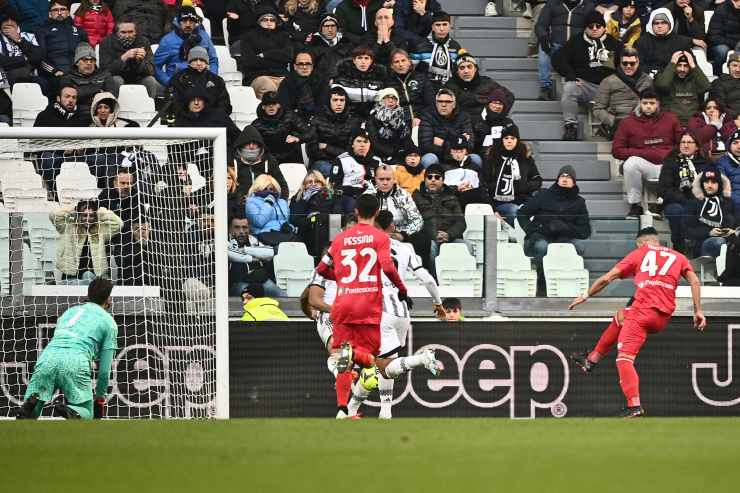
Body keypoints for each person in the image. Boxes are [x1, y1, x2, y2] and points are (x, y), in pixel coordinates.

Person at [315, 194, 441, 419]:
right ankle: (415, 365)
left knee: (349, 355)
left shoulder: (341, 239)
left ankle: (344, 409)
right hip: (376, 307)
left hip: (346, 304)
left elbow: (321, 270)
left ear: (356, 213)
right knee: (382, 363)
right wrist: (402, 289)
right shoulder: (380, 239)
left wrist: (343, 279)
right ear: (376, 213)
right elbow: (390, 269)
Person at [568, 226, 706, 417]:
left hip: (642, 312)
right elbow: (695, 282)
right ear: (657, 241)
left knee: (624, 359)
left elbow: (608, 278)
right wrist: (698, 310)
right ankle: (591, 360)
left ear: (642, 243)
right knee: (621, 315)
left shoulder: (639, 253)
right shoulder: (678, 256)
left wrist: (585, 295)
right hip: (662, 317)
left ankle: (634, 405)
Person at [345, 209, 445, 419]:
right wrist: (438, 304)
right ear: (391, 226)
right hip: (402, 313)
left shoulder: (364, 246)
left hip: (377, 312)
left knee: (384, 365)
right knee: (384, 365)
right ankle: (384, 411)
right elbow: (427, 279)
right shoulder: (405, 247)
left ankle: (422, 359)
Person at [16, 277, 118, 420]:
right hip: (76, 360)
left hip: (48, 357)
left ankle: (30, 407)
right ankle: (72, 410)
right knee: (87, 413)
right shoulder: (109, 322)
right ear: (107, 299)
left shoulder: (69, 312)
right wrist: (100, 397)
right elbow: (104, 372)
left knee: (32, 411)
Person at [517, 165, 591, 294]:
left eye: (569, 177)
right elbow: (522, 213)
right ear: (557, 179)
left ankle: (567, 283)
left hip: (565, 238)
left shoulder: (579, 202)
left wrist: (565, 228)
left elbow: (585, 231)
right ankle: (542, 282)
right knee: (542, 247)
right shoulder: (544, 195)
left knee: (579, 246)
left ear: (574, 182)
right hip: (540, 236)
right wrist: (532, 230)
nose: (565, 179)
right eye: (562, 176)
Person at [612, 88, 683, 218]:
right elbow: (616, 150)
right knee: (630, 164)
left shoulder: (671, 118)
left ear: (658, 104)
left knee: (678, 162)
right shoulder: (627, 122)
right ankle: (635, 205)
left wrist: (667, 154)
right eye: (645, 103)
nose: (648, 106)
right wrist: (646, 153)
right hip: (645, 164)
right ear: (640, 103)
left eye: (652, 103)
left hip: (666, 164)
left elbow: (682, 144)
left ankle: (663, 203)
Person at [552, 10, 622, 140]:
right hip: (586, 85)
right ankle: (571, 127)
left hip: (609, 87)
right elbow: (558, 58)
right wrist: (570, 75)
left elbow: (625, 65)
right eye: (590, 26)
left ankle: (612, 127)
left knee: (624, 93)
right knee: (569, 88)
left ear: (604, 27)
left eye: (598, 26)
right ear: (585, 28)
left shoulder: (614, 44)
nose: (594, 29)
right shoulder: (576, 41)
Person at [657, 130, 713, 253]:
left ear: (697, 146)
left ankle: (698, 251)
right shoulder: (671, 162)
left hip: (701, 202)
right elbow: (664, 189)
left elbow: (712, 186)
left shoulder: (706, 163)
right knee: (676, 211)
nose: (685, 145)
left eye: (689, 142)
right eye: (683, 142)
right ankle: (679, 246)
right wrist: (687, 200)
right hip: (676, 201)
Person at [535, 0, 596, 101]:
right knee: (543, 47)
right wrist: (543, 37)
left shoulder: (588, 6)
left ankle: (582, 89)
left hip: (576, 47)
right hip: (556, 44)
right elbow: (540, 25)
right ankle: (546, 88)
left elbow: (594, 27)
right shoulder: (552, 4)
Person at [51, 199, 123, 284]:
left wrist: (99, 211)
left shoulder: (101, 230)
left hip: (95, 276)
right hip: (72, 276)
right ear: (79, 215)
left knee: (87, 276)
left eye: (91, 215)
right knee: (85, 280)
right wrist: (75, 208)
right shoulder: (69, 227)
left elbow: (119, 224)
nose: (88, 219)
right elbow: (53, 215)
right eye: (85, 215)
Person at [370, 164, 430, 267]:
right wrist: (381, 234)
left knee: (423, 239)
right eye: (381, 179)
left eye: (388, 179)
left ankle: (423, 273)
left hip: (402, 233)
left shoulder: (404, 195)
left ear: (394, 179)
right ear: (375, 179)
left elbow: (417, 220)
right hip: (375, 235)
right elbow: (363, 221)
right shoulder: (368, 197)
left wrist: (403, 234)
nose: (385, 182)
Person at [484, 124, 543, 227]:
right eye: (506, 138)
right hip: (497, 203)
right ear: (502, 140)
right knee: (514, 211)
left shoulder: (525, 158)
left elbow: (537, 180)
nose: (509, 141)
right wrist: (492, 209)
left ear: (517, 140)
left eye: (513, 138)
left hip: (522, 200)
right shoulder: (492, 158)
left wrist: (523, 186)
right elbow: (484, 186)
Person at [592, 47, 653, 139]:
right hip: (618, 123)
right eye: (625, 63)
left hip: (641, 122)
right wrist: (613, 121)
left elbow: (653, 104)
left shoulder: (647, 80)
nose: (628, 66)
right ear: (620, 63)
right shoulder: (608, 81)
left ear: (638, 62)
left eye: (632, 63)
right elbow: (598, 109)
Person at [412, 163, 467, 264]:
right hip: (428, 238)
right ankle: (433, 278)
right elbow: (414, 222)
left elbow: (461, 222)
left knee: (467, 245)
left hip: (449, 237)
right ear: (425, 179)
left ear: (442, 180)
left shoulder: (452, 197)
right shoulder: (416, 196)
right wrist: (434, 235)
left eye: (437, 177)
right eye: (429, 177)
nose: (433, 180)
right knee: (431, 247)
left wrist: (448, 234)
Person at [154, 5, 218, 87]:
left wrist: (211, 79)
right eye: (184, 21)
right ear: (178, 22)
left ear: (196, 23)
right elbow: (156, 66)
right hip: (178, 84)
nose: (188, 24)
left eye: (191, 21)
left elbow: (213, 60)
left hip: (202, 82)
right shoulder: (168, 41)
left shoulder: (204, 36)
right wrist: (169, 82)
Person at [35, 1, 88, 96]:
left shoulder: (79, 30)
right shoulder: (42, 30)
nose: (59, 12)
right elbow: (39, 57)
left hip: (78, 72)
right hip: (55, 74)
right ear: (49, 14)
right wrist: (54, 71)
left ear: (68, 12)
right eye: (55, 10)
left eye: (62, 9)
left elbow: (87, 52)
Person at [307, 86, 362, 179]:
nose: (339, 104)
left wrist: (327, 147)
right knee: (335, 172)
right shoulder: (317, 121)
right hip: (322, 162)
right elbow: (311, 150)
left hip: (346, 161)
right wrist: (336, 154)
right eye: (335, 100)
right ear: (329, 101)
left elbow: (352, 151)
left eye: (342, 100)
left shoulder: (353, 122)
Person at [445, 52, 515, 124]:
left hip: (485, 126)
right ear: (457, 71)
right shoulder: (450, 86)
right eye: (462, 68)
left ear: (475, 69)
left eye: (469, 67)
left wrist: (498, 117)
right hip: (460, 128)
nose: (466, 71)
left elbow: (509, 96)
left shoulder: (487, 83)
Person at [99, 18, 161, 99]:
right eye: (123, 32)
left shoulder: (143, 41)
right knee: (117, 80)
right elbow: (105, 71)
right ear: (117, 33)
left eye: (130, 32)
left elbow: (151, 70)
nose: (127, 36)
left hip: (137, 77)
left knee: (150, 81)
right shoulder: (106, 42)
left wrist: (140, 61)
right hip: (116, 77)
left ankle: (149, 108)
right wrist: (123, 58)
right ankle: (114, 107)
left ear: (135, 32)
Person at [239, 6, 293, 99]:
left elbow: (288, 56)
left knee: (293, 86)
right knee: (269, 88)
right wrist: (278, 59)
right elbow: (250, 62)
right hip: (258, 76)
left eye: (272, 20)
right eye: (265, 20)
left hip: (281, 75)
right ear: (259, 21)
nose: (269, 22)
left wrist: (266, 54)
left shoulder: (283, 36)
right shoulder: (248, 37)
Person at [61, 42, 120, 125]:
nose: (89, 63)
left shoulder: (104, 75)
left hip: (101, 115)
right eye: (85, 60)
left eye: (92, 60)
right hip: (78, 115)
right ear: (77, 62)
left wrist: (82, 94)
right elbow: (70, 99)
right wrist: (97, 94)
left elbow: (110, 97)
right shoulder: (68, 78)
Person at [683, 168, 737, 258]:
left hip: (730, 241)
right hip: (703, 243)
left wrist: (733, 232)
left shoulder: (729, 202)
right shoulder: (693, 203)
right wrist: (709, 232)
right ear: (701, 184)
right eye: (706, 182)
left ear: (719, 184)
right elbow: (686, 230)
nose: (709, 185)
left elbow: (738, 222)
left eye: (713, 182)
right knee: (719, 243)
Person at [418, 88, 477, 168]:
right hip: (438, 156)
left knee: (475, 159)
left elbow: (470, 144)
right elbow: (426, 145)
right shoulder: (427, 115)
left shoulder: (463, 116)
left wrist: (443, 143)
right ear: (436, 103)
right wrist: (458, 142)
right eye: (440, 101)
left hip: (459, 156)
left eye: (448, 102)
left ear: (454, 104)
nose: (443, 105)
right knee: (429, 159)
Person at [251, 91, 314, 164]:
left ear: (279, 105)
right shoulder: (257, 124)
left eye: (274, 103)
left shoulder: (291, 117)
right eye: (268, 104)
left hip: (291, 159)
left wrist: (298, 138)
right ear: (263, 107)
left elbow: (310, 133)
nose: (271, 106)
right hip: (268, 160)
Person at [228, 212, 282, 297]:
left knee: (281, 295)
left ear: (249, 229)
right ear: (230, 229)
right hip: (239, 284)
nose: (241, 231)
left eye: (244, 227)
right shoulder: (226, 242)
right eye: (237, 228)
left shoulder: (254, 241)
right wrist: (254, 255)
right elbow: (231, 254)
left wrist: (245, 250)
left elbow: (270, 253)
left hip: (261, 282)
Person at [329, 129, 383, 214]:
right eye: (359, 141)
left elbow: (381, 183)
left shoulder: (377, 161)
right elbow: (334, 186)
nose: (362, 145)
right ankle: (337, 227)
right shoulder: (341, 160)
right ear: (352, 144)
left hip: (371, 198)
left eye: (365, 142)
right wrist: (357, 191)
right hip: (348, 197)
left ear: (370, 144)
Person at [168, 46, 231, 118]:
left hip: (211, 122)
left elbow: (224, 104)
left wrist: (211, 116)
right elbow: (172, 104)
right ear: (189, 62)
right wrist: (188, 116)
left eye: (202, 60)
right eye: (195, 60)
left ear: (206, 62)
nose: (198, 63)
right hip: (185, 120)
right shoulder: (178, 79)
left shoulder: (217, 80)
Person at [653, 50, 710, 125]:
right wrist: (672, 63)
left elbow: (706, 87)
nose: (682, 69)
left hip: (693, 123)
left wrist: (693, 65)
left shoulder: (695, 79)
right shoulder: (665, 77)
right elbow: (662, 85)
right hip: (670, 123)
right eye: (679, 65)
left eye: (686, 66)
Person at [232, 125, 289, 199]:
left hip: (265, 204)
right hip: (239, 205)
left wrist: (281, 202)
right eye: (247, 143)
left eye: (254, 143)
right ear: (241, 144)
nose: (251, 146)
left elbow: (283, 186)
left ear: (260, 145)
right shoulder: (232, 162)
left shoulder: (269, 161)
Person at [409, 11, 461, 91]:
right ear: (432, 27)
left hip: (449, 90)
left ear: (450, 26)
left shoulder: (455, 46)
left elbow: (459, 71)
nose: (441, 28)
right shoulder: (419, 46)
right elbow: (411, 70)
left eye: (445, 24)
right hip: (425, 90)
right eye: (438, 25)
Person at [331, 45, 387, 118]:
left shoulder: (380, 80)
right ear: (354, 60)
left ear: (371, 61)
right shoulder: (341, 80)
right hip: (348, 120)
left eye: (366, 58)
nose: (363, 62)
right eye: (359, 58)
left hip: (374, 119)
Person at [634, 8, 692, 76]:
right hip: (648, 78)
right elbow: (637, 65)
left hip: (675, 78)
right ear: (651, 25)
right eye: (656, 23)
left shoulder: (681, 42)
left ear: (670, 24)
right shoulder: (641, 42)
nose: (659, 26)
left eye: (664, 23)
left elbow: (690, 64)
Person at [384, 48, 434, 123]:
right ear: (392, 66)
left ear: (409, 62)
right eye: (396, 62)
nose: (400, 64)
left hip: (421, 120)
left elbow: (430, 103)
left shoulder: (421, 78)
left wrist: (419, 117)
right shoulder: (388, 83)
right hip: (398, 122)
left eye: (403, 60)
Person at [366, 87, 414, 164]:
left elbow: (407, 139)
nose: (391, 100)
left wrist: (412, 152)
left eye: (394, 98)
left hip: (399, 156)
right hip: (379, 157)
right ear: (381, 100)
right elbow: (374, 143)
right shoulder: (373, 118)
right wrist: (395, 153)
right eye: (387, 97)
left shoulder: (401, 118)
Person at [277, 51, 327, 122]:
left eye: (308, 64)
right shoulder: (287, 82)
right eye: (300, 64)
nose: (304, 67)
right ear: (295, 67)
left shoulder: (321, 81)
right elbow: (284, 108)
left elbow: (323, 106)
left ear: (312, 66)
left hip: (317, 121)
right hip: (293, 121)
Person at [441, 136, 489, 210]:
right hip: (452, 200)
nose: (458, 154)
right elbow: (440, 188)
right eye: (455, 151)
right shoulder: (443, 167)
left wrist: (471, 189)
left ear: (466, 151)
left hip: (472, 201)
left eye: (461, 151)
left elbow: (482, 187)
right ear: (450, 151)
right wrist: (457, 188)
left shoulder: (475, 167)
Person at [0, 12, 42, 92]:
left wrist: (19, 40)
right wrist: (25, 58)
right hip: (5, 77)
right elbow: (3, 62)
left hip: (28, 75)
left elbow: (38, 57)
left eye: (12, 20)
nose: (9, 22)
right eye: (5, 20)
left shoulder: (28, 36)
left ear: (18, 25)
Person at [305, 14, 353, 79]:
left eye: (333, 26)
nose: (330, 30)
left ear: (337, 28)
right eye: (326, 26)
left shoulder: (347, 45)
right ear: (320, 29)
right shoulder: (312, 46)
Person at [474, 88, 516, 155]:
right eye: (494, 103)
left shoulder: (509, 123)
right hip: (483, 157)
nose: (497, 106)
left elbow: (515, 143)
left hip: (503, 156)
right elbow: (473, 146)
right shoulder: (479, 122)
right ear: (488, 104)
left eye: (500, 104)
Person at [706, 0, 740, 76]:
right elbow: (714, 37)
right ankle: (717, 75)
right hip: (718, 45)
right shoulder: (721, 10)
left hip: (737, 44)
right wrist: (736, 44)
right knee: (722, 50)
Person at [709, 52, 740, 117]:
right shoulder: (719, 83)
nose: (738, 69)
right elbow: (720, 106)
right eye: (734, 66)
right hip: (729, 119)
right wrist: (737, 116)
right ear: (728, 66)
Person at [716, 130, 740, 211]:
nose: (739, 146)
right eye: (735, 143)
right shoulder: (722, 163)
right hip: (733, 204)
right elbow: (724, 190)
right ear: (729, 145)